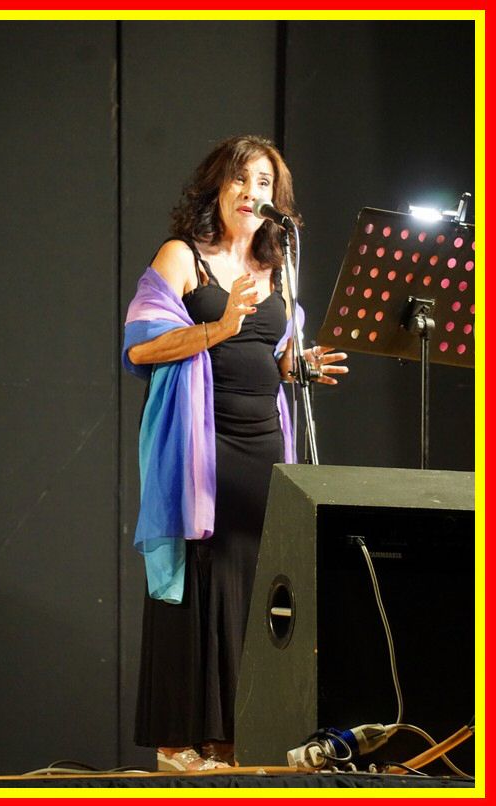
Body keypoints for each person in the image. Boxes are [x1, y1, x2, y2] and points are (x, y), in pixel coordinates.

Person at [122, 135, 348, 771]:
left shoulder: (280, 271)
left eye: (265, 184)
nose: (253, 193)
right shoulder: (183, 257)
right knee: (195, 583)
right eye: (241, 180)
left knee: (250, 587)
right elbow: (140, 347)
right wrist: (220, 327)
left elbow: (271, 358)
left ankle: (226, 740)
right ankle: (176, 743)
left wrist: (299, 364)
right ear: (216, 188)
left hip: (263, 445)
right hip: (200, 441)